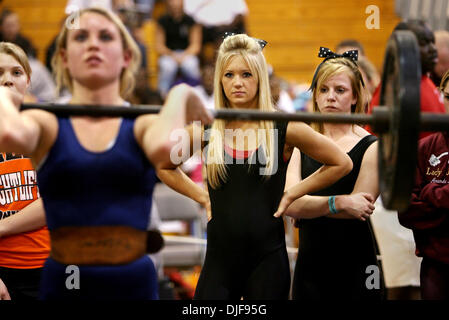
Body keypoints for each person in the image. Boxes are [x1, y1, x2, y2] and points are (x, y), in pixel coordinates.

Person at [0, 7, 212, 300]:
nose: (93, 44)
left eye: (105, 36)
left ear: (126, 56)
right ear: (63, 57)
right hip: (66, 277)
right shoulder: (47, 121)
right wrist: (4, 89)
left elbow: (166, 147)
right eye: (81, 37)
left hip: (131, 278)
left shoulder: (142, 124)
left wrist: (181, 92)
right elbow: (9, 134)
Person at [158, 34, 354, 300]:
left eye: (246, 74)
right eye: (229, 75)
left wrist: (292, 193)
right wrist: (202, 196)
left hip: (268, 262)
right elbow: (164, 166)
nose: (237, 82)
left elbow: (341, 162)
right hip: (219, 261)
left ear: (260, 77)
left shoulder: (283, 126)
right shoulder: (207, 127)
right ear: (219, 80)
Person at [280, 48, 384, 300]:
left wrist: (309, 208)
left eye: (340, 90)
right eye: (323, 90)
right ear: (314, 96)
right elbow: (289, 203)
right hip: (311, 261)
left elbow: (358, 209)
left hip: (355, 260)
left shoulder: (373, 146)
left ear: (355, 96)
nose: (330, 98)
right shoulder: (303, 144)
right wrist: (337, 202)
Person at [0, 42, 50, 300]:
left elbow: (52, 202)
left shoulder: (47, 131)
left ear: (29, 81)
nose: (7, 81)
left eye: (16, 73)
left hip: (46, 266)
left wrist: (3, 227)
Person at [397, 69, 449, 300]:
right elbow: (406, 211)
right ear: (440, 97)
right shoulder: (424, 148)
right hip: (435, 266)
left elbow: (422, 200)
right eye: (448, 98)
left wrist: (430, 192)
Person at [368, 20, 445, 139]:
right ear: (402, 47)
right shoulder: (394, 88)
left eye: (432, 42)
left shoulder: (424, 80)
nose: (433, 49)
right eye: (424, 43)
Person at [155, 0, 202, 97]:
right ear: (168, 4)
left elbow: (195, 45)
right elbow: (159, 46)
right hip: (169, 54)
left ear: (183, 4)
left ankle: (196, 94)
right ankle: (162, 95)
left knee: (192, 66)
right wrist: (172, 55)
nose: (175, 5)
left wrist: (184, 56)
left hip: (187, 54)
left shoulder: (191, 21)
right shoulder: (162, 21)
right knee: (167, 67)